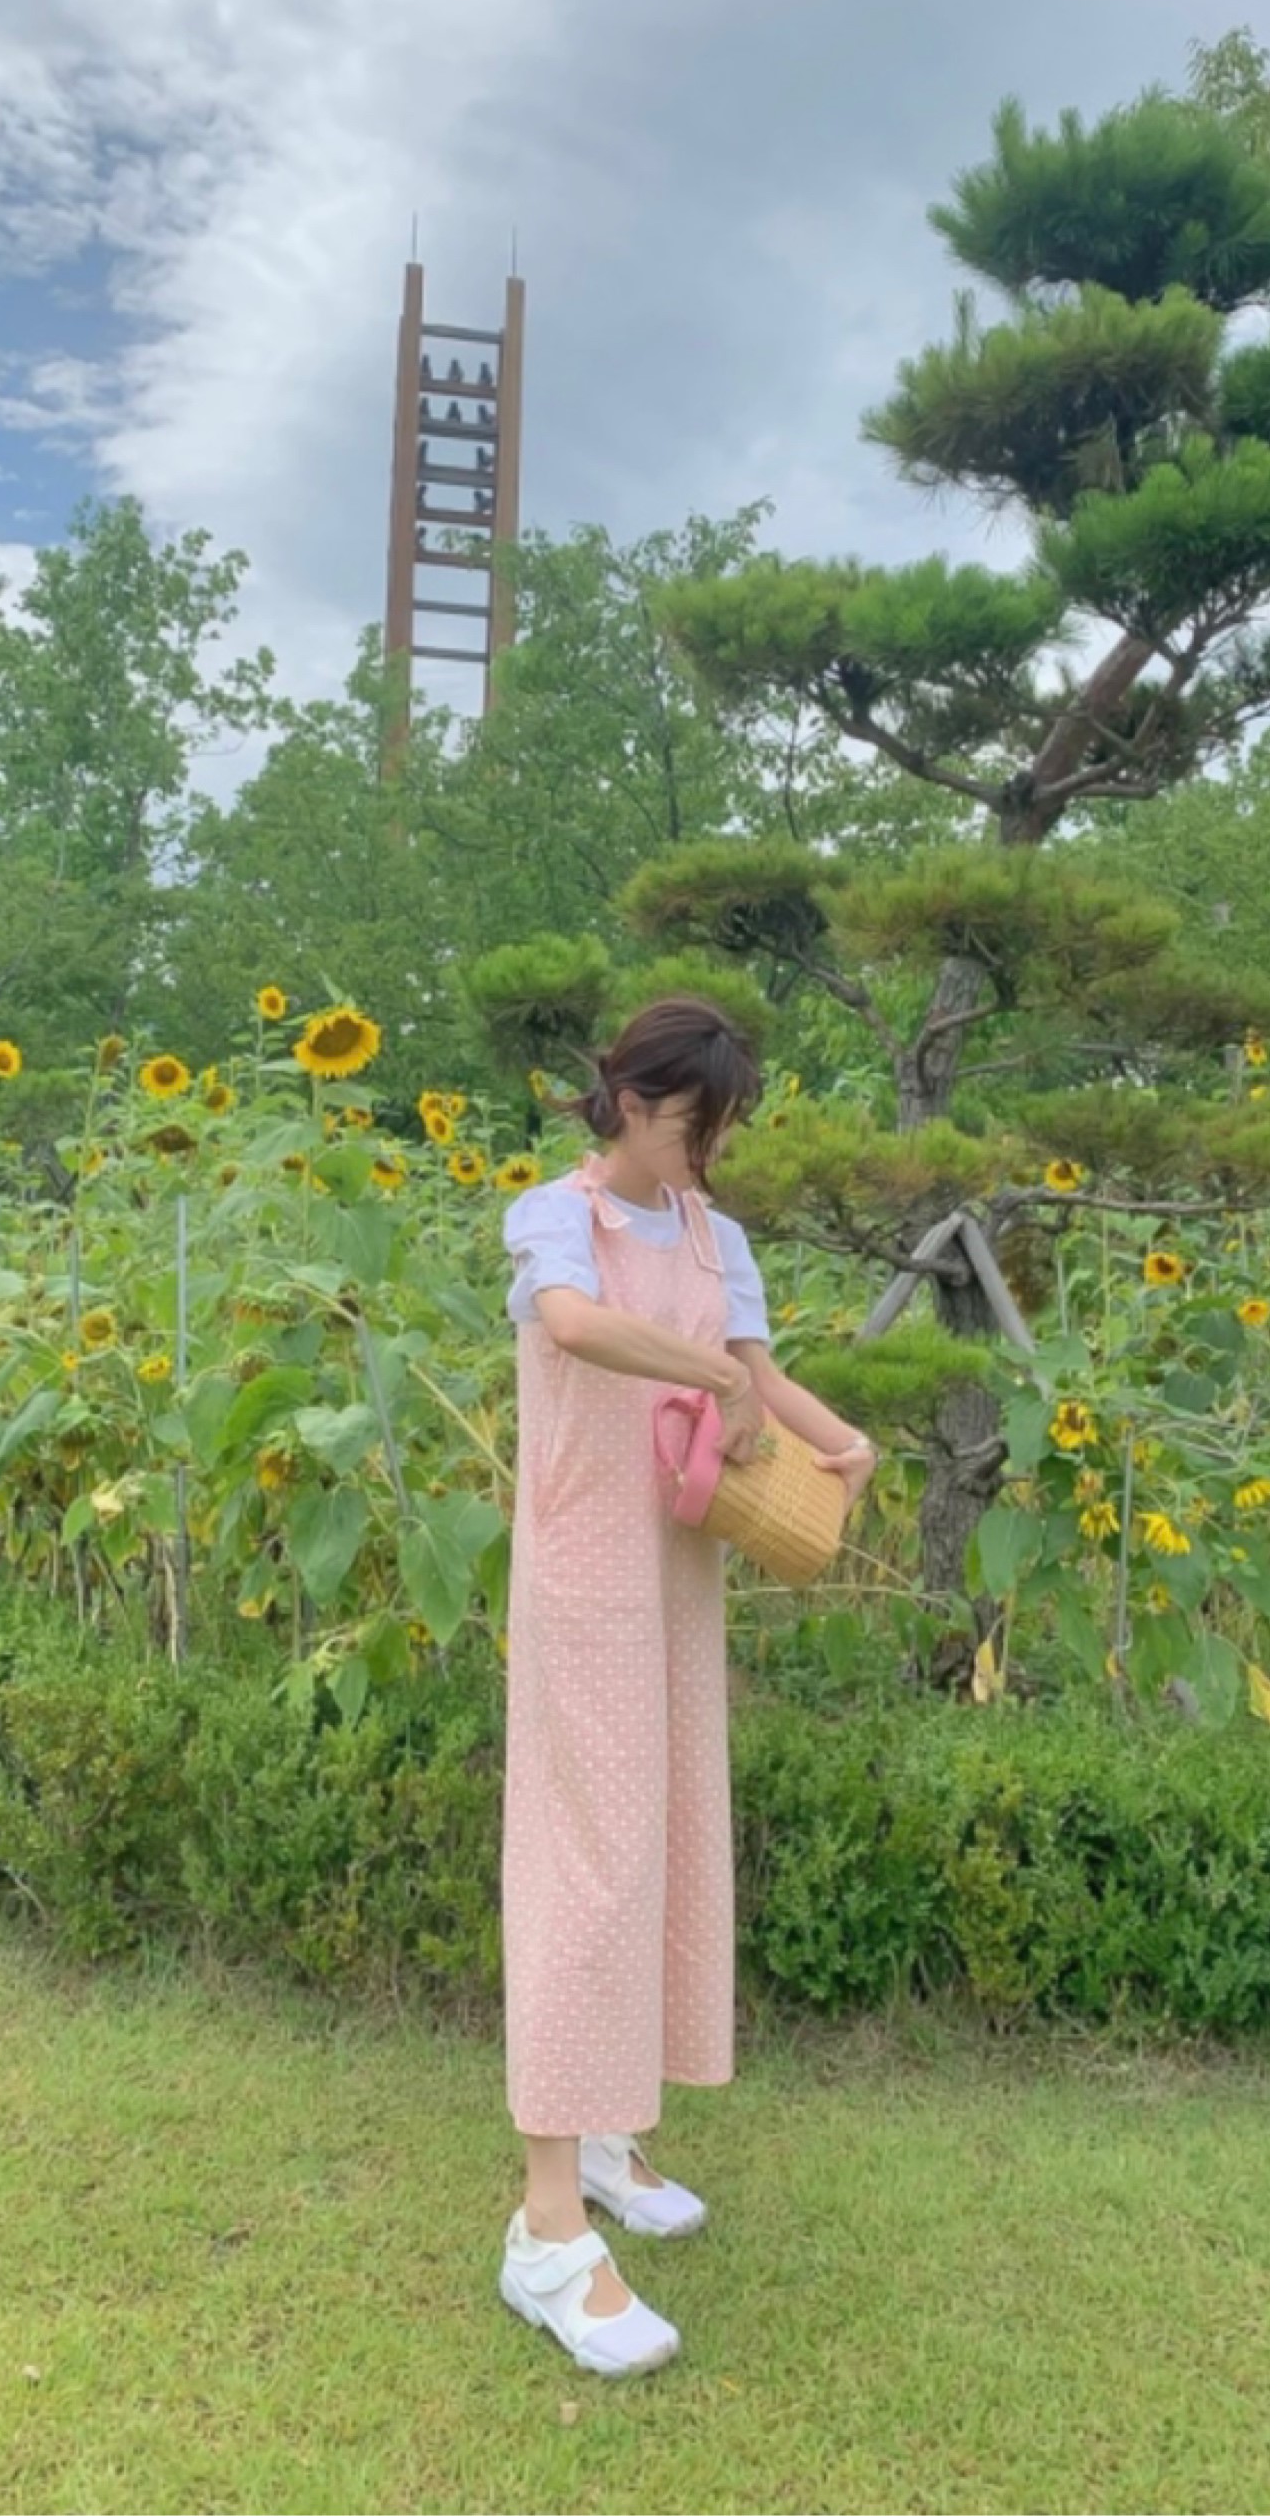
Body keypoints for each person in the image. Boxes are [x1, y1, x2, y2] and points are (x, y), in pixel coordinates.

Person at [494, 997, 877, 2376]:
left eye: (721, 1130)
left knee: (658, 1849)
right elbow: (575, 1326)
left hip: (679, 1580)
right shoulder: (555, 1218)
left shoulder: (719, 1238)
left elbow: (758, 1381)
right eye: (689, 1125)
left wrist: (842, 1444)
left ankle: (605, 2139)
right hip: (583, 1582)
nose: (705, 1153)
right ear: (630, 1100)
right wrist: (707, 1370)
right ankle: (545, 2231)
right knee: (584, 1869)